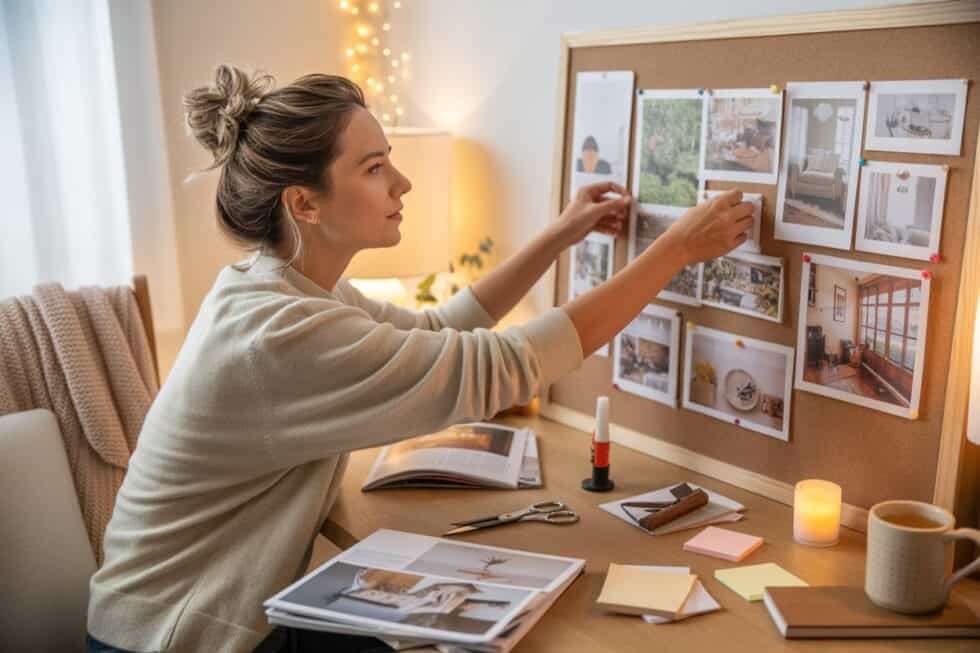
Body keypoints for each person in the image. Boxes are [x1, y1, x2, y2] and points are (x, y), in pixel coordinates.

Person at [87, 65, 752, 653]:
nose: (402, 183)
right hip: (172, 637)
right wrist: (674, 251)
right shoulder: (277, 332)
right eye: (374, 167)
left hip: (216, 621)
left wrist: (558, 236)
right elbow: (500, 365)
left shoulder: (288, 288)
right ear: (304, 202)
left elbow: (439, 327)